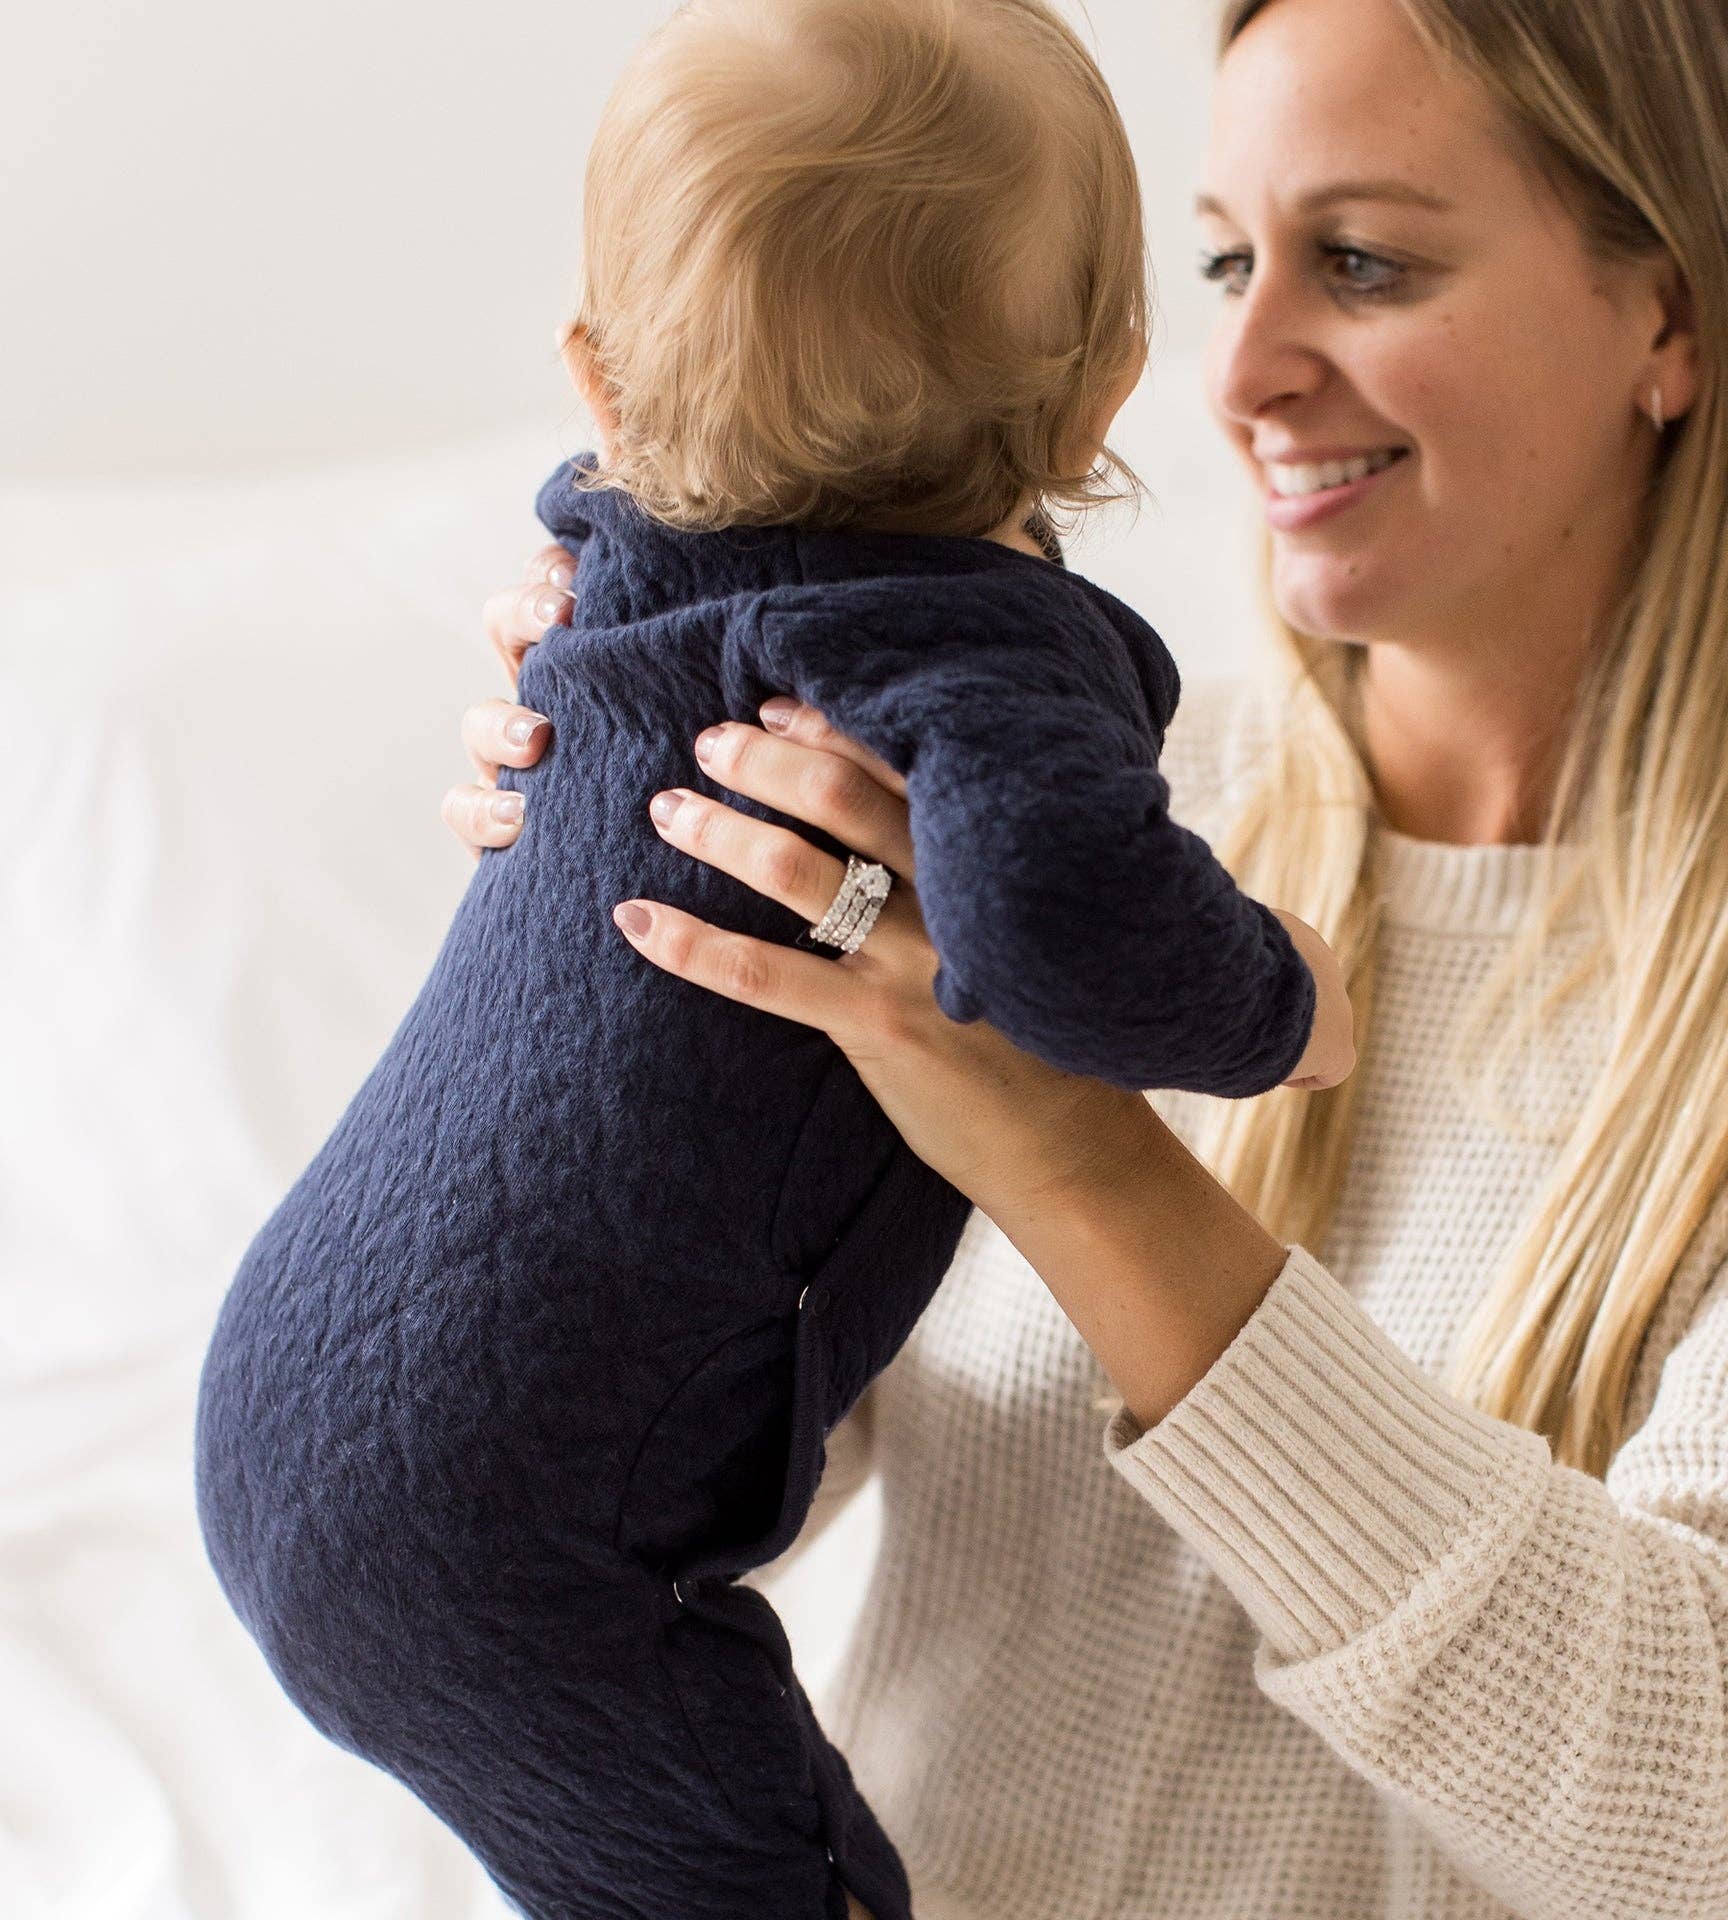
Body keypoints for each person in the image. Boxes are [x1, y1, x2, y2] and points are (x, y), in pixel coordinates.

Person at [445, 0, 1728, 1912]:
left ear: (1667, 318)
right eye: (1224, 266)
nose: (1244, 375)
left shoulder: (1075, 891)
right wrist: (595, 957)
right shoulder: (1036, 809)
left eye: (1364, 262)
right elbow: (658, 1511)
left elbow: (1694, 1816)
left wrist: (1079, 1162)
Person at [193, 5, 1355, 1919]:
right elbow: (1061, 921)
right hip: (514, 1516)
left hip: (297, 1384)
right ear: (1105, 397)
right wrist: (1284, 1001)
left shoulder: (608, 557)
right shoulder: (973, 654)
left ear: (597, 377)